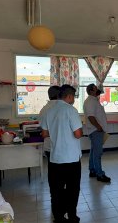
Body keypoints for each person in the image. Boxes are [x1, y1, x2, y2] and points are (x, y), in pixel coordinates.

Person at [40, 84, 83, 223]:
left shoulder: (49, 111)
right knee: (72, 189)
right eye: (73, 97)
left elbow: (45, 133)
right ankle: (71, 216)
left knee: (56, 190)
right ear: (69, 96)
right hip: (71, 159)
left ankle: (58, 217)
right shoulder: (71, 110)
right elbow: (77, 134)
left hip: (55, 157)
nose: (74, 100)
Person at [83, 84, 111, 183]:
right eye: (96, 89)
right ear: (91, 91)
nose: (98, 90)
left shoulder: (93, 100)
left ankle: (92, 170)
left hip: (94, 130)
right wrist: (98, 127)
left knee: (94, 151)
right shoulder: (91, 101)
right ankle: (100, 174)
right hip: (95, 131)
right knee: (98, 153)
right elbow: (91, 116)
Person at [39, 85, 60, 163]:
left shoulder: (43, 109)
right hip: (60, 146)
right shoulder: (63, 108)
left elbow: (42, 129)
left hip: (48, 146)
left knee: (52, 171)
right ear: (59, 95)